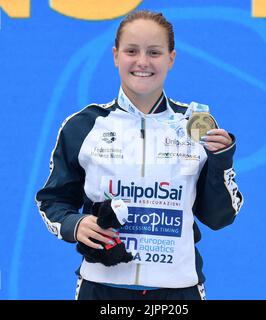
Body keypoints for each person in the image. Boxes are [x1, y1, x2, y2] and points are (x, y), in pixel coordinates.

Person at [35, 9, 244, 300]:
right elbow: (53, 200)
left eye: (154, 52)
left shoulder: (196, 126)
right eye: (132, 51)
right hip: (101, 290)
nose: (142, 62)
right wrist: (75, 224)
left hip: (177, 293)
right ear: (115, 55)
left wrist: (222, 162)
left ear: (171, 58)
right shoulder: (83, 127)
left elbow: (221, 217)